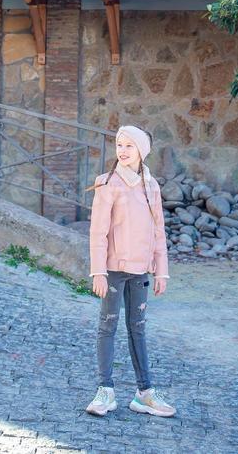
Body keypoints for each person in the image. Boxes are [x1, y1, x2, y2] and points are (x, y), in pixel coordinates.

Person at [85, 124, 176, 418]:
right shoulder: (108, 183)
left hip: (141, 273)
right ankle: (105, 391)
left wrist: (161, 271)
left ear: (141, 151)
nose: (122, 151)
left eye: (129, 146)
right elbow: (98, 232)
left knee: (138, 329)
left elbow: (158, 231)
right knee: (107, 325)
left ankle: (144, 393)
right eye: (119, 145)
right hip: (112, 270)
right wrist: (97, 271)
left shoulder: (152, 186)